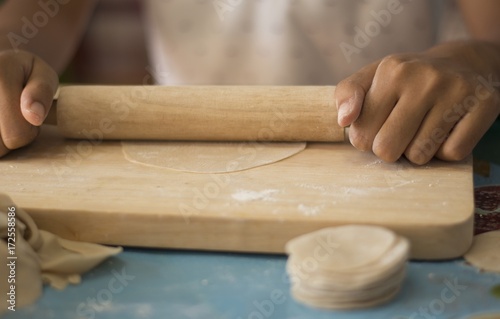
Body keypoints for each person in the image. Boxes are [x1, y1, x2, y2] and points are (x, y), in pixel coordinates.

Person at [0, 0, 498, 164]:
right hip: (185, 160)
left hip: (403, 150)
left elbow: (492, 40)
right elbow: (30, 26)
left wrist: (475, 59)